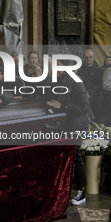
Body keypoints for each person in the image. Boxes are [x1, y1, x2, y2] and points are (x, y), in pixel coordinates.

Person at [47, 58, 90, 206]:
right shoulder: (57, 80)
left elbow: (84, 108)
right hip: (64, 124)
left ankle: (82, 191)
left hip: (76, 124)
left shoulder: (75, 81)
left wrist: (62, 106)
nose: (54, 69)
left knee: (76, 155)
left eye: (57, 66)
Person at [77, 49, 104, 122]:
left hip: (95, 98)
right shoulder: (79, 69)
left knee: (95, 118)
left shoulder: (100, 70)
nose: (88, 59)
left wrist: (90, 92)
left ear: (94, 57)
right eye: (86, 57)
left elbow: (100, 83)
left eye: (90, 57)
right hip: (81, 97)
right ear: (83, 58)